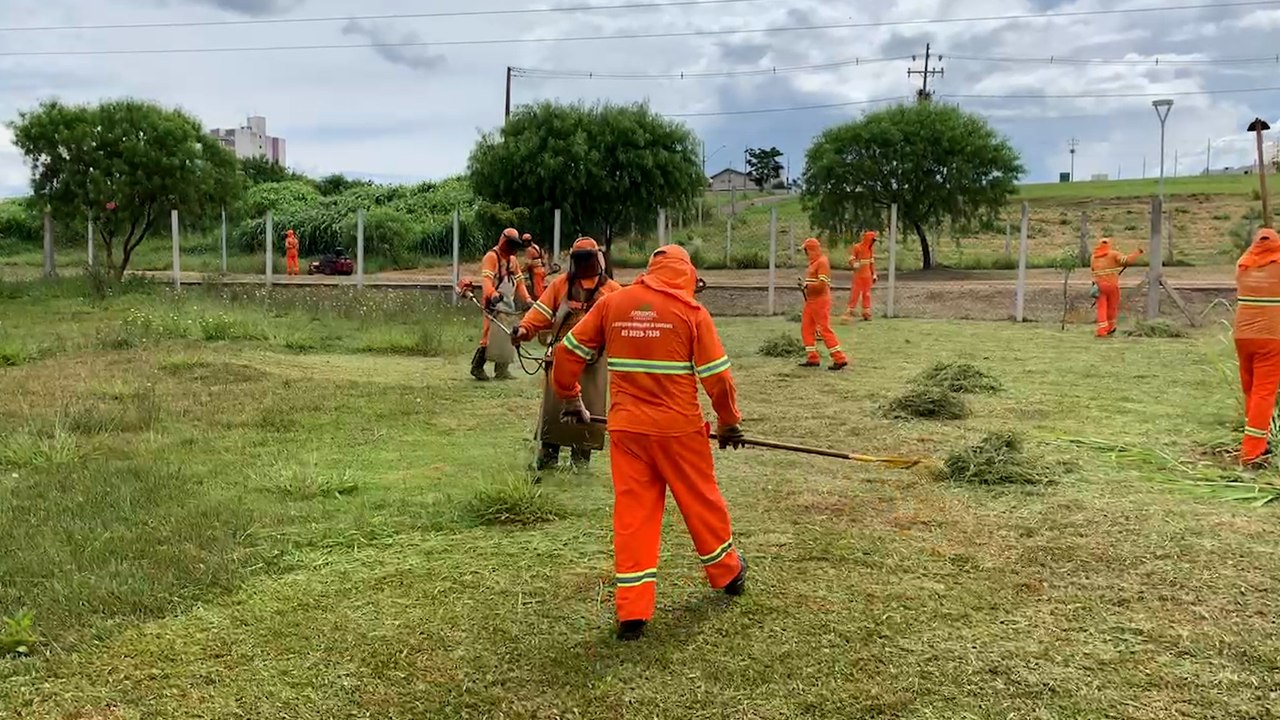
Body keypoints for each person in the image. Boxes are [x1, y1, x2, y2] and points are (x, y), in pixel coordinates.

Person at [552, 244, 748, 642]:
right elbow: (719, 380)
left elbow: (566, 352)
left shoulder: (613, 303)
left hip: (627, 432)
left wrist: (571, 396)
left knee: (633, 516)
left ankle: (633, 610)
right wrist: (728, 423)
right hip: (678, 431)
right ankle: (728, 574)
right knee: (700, 502)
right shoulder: (692, 313)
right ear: (687, 275)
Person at [512, 237, 623, 471]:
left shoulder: (612, 292)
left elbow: (622, 325)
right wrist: (524, 329)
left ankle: (580, 463)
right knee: (554, 414)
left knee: (588, 415)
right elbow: (539, 313)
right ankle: (547, 459)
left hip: (592, 364)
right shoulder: (560, 285)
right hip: (560, 358)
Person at [1234, 227, 1280, 467]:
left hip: (1243, 337)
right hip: (1271, 338)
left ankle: (1257, 440)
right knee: (1264, 393)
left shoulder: (1243, 265)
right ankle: (1252, 453)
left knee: (1251, 390)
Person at [469, 228, 531, 381]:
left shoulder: (512, 261)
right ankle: (477, 367)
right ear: (504, 241)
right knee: (489, 336)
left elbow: (520, 283)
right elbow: (486, 282)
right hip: (493, 304)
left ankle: (502, 370)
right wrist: (493, 294)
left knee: (509, 335)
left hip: (508, 303)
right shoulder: (491, 257)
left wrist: (527, 299)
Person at [798, 237, 849, 370]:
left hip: (819, 301)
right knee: (806, 328)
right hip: (811, 301)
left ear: (810, 250)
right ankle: (812, 357)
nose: (805, 253)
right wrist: (806, 286)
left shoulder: (822, 262)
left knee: (824, 329)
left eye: (806, 250)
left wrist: (807, 286)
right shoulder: (814, 262)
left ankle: (839, 358)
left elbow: (822, 284)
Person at [1090, 237, 1144, 337]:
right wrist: (1137, 252)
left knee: (1101, 308)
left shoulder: (1093, 257)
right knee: (1112, 307)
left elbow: (1093, 271)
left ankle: (1102, 330)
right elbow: (1127, 260)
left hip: (1099, 286)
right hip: (1112, 286)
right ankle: (1111, 327)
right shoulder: (1113, 254)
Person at [844, 230, 878, 322]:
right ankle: (849, 312)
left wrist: (874, 274)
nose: (873, 242)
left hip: (867, 276)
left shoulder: (870, 250)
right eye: (872, 240)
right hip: (858, 276)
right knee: (855, 293)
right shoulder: (857, 247)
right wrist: (853, 264)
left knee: (867, 294)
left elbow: (871, 263)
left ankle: (866, 313)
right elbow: (851, 259)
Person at [523, 233, 550, 298]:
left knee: (538, 292)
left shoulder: (529, 250)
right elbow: (544, 260)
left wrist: (521, 270)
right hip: (542, 270)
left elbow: (528, 263)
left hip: (536, 272)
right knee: (542, 288)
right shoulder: (537, 248)